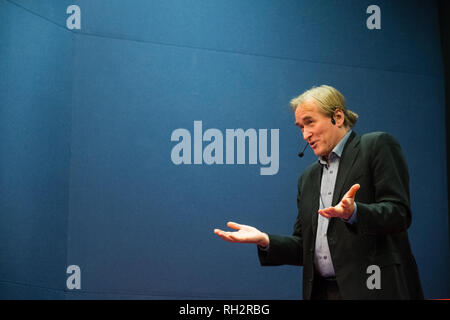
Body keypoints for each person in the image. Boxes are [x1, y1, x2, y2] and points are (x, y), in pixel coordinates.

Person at [214, 85, 424, 300]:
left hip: (375, 289)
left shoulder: (375, 146)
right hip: (322, 293)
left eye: (310, 122)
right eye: (300, 127)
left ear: (338, 117)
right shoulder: (308, 178)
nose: (305, 134)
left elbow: (399, 214)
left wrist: (354, 213)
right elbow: (304, 247)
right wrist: (265, 240)